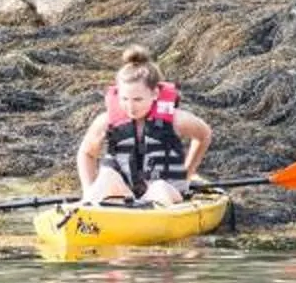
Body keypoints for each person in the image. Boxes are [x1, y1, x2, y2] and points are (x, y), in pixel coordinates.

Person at [74, 47, 212, 205]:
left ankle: (150, 216)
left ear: (155, 94)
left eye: (137, 99)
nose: (130, 107)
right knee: (107, 176)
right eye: (125, 99)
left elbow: (204, 135)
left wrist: (187, 173)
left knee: (159, 188)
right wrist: (88, 189)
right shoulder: (105, 121)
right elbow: (86, 153)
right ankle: (88, 206)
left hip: (165, 189)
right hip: (126, 193)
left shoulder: (177, 119)